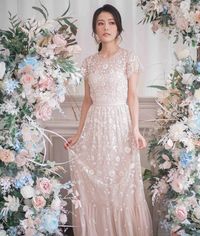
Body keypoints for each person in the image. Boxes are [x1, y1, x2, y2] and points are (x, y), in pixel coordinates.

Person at [64, 4, 153, 236]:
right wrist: (78, 133)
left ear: (119, 27)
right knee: (98, 187)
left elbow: (132, 96)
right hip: (95, 127)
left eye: (111, 22)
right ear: (95, 29)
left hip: (119, 126)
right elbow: (87, 100)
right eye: (101, 23)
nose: (106, 27)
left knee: (120, 187)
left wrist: (135, 130)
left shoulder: (128, 58)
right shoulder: (89, 62)